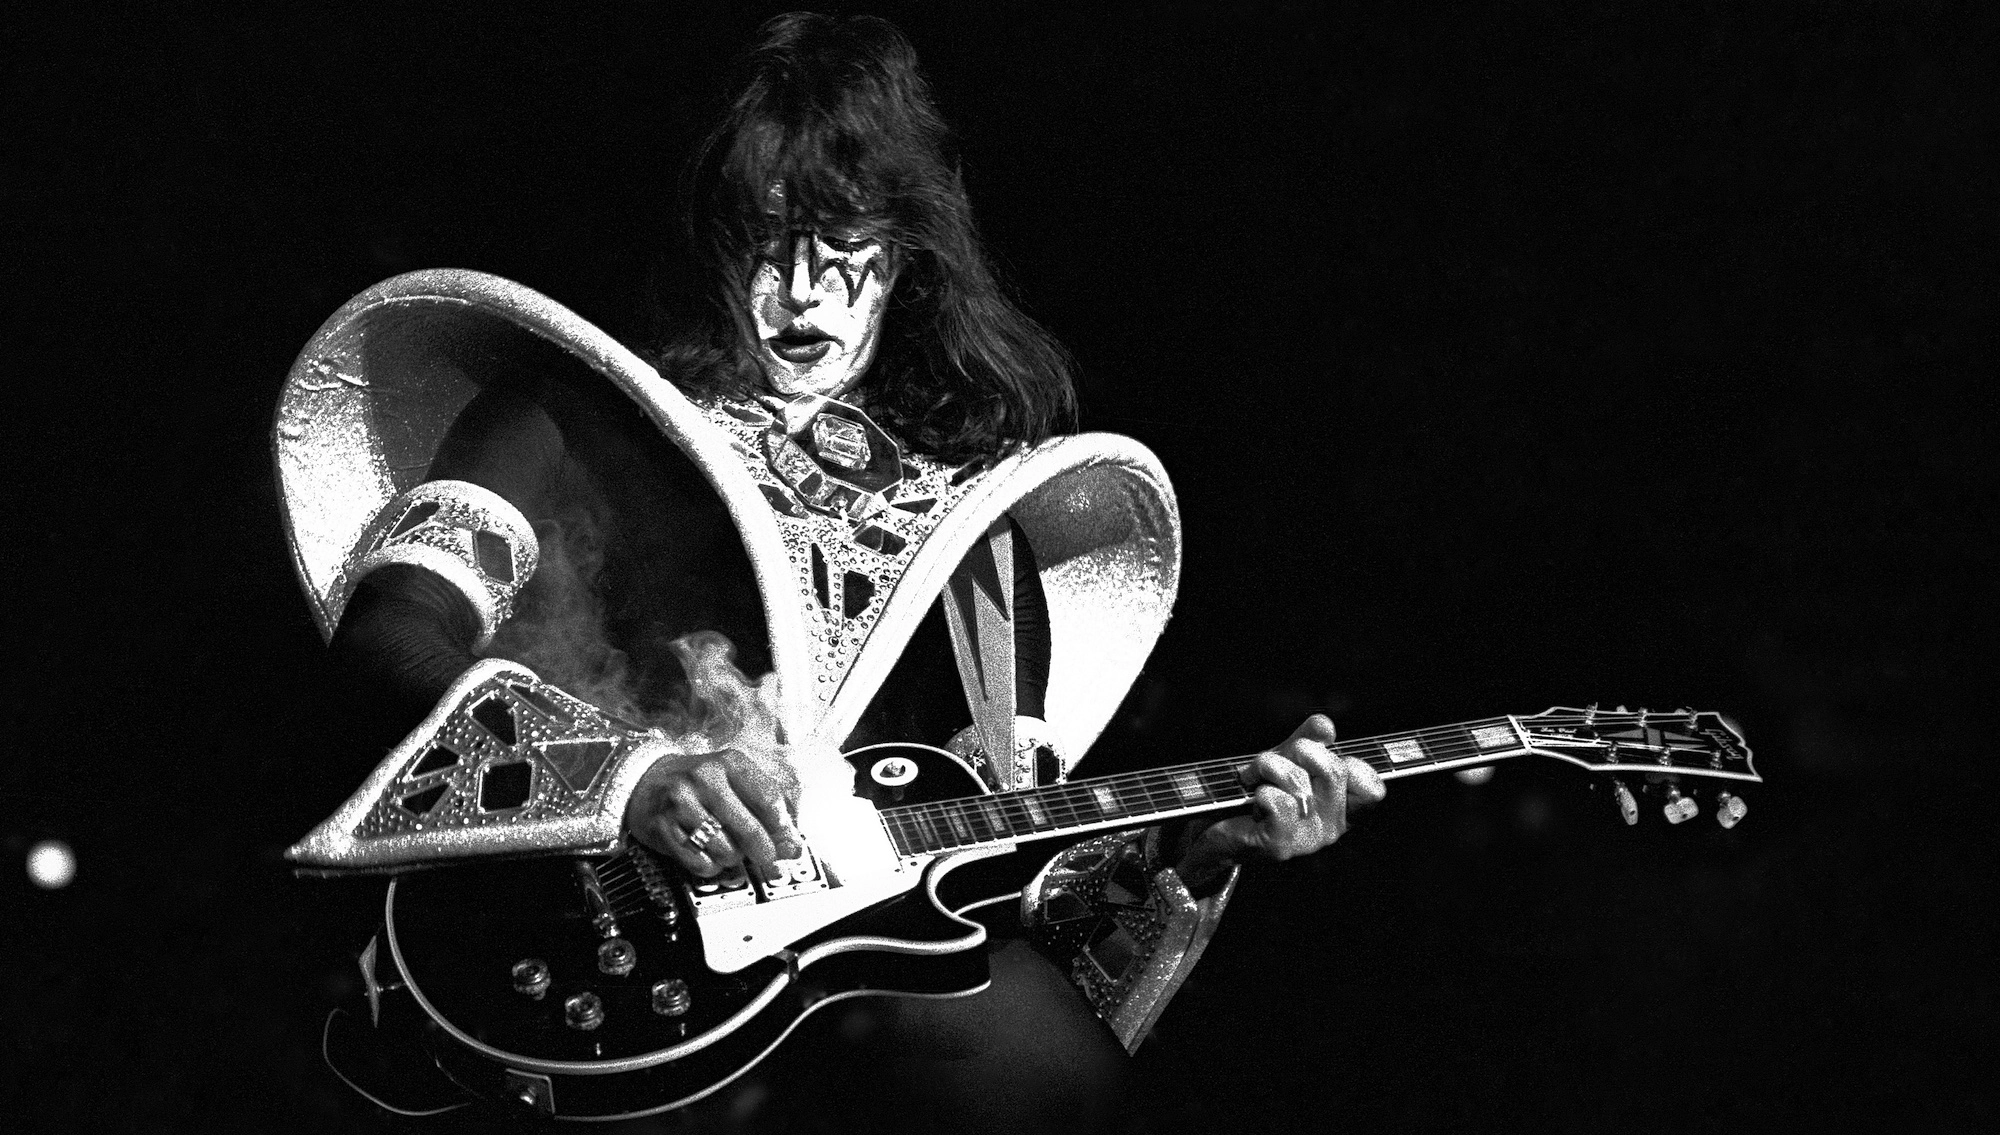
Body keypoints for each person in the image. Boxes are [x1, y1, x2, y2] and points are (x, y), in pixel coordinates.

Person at [283, 13, 1383, 1133]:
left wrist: (1194, 855)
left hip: (854, 1045)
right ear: (709, 240)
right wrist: (629, 780)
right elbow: (386, 634)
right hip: (567, 977)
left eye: (844, 238)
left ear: (908, 252)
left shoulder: (982, 537)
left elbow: (1005, 883)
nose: (802, 289)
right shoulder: (562, 419)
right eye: (765, 238)